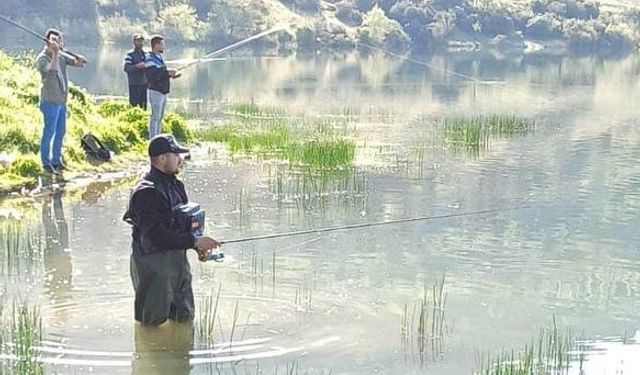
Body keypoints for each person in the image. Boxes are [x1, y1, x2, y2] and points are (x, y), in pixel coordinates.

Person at [123, 134, 220, 326]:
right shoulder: (146, 192)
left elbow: (182, 224)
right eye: (176, 154)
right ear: (162, 159)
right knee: (152, 323)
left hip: (178, 264)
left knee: (184, 317)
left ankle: (182, 353)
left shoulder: (176, 186)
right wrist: (194, 242)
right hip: (153, 265)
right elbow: (157, 237)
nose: (180, 159)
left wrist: (197, 246)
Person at [36, 28, 86, 174]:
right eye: (54, 40)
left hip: (61, 101)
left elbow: (80, 64)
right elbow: (51, 72)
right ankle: (46, 162)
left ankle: (56, 161)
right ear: (47, 42)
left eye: (59, 40)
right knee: (49, 131)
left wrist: (78, 58)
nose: (57, 43)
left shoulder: (62, 56)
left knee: (60, 131)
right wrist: (56, 53)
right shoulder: (43, 59)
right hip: (50, 101)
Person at [145, 35, 181, 139]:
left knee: (160, 116)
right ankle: (153, 138)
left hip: (163, 91)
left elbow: (162, 74)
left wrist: (172, 75)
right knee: (155, 116)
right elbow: (153, 75)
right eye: (162, 44)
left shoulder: (159, 57)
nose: (163, 47)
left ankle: (158, 137)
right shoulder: (149, 58)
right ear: (156, 45)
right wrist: (167, 73)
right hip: (155, 91)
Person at [123, 34, 148, 109]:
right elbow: (126, 68)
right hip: (134, 84)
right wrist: (137, 66)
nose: (140, 43)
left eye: (142, 41)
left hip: (144, 84)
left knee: (143, 106)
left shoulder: (146, 54)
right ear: (134, 42)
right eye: (138, 41)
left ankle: (143, 119)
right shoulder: (130, 54)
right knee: (133, 105)